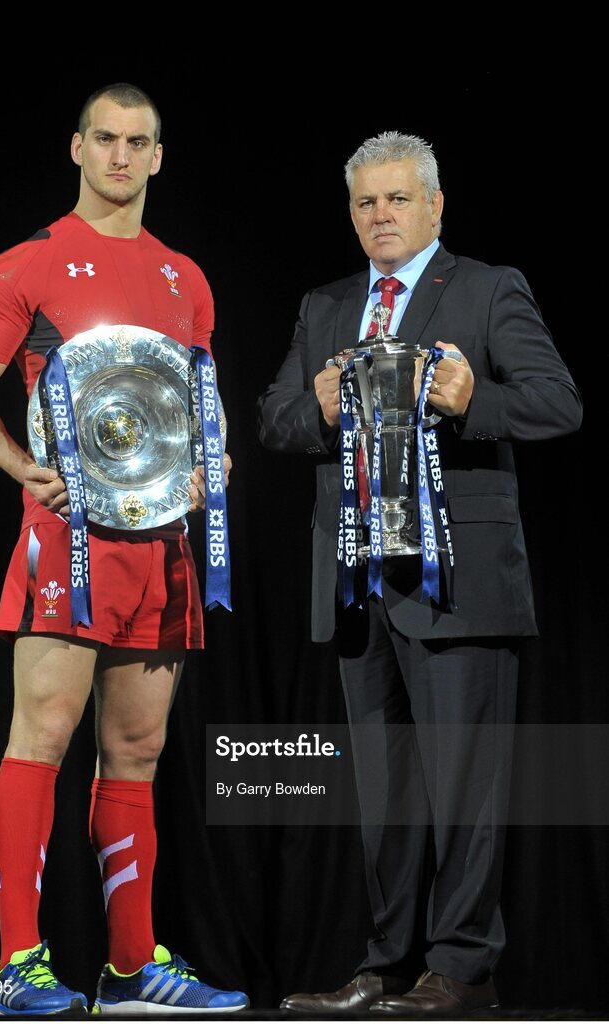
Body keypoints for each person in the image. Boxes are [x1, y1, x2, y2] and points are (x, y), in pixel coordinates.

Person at [0, 82, 246, 1017]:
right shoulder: (27, 263)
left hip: (162, 544)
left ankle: (129, 967)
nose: (120, 156)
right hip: (64, 544)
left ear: (159, 155)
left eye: (138, 141)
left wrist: (213, 460)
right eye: (104, 138)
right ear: (76, 147)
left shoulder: (184, 278)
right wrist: (22, 467)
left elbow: (193, 411)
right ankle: (16, 965)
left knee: (138, 748)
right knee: (43, 736)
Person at [257, 131, 581, 1015]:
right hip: (357, 583)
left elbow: (558, 403)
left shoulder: (485, 288)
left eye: (398, 199)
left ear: (436, 206)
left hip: (460, 582)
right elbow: (274, 417)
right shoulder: (325, 305)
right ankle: (387, 963)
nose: (381, 216)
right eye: (365, 202)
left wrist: (474, 399)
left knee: (464, 784)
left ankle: (463, 967)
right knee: (385, 790)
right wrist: (314, 410)